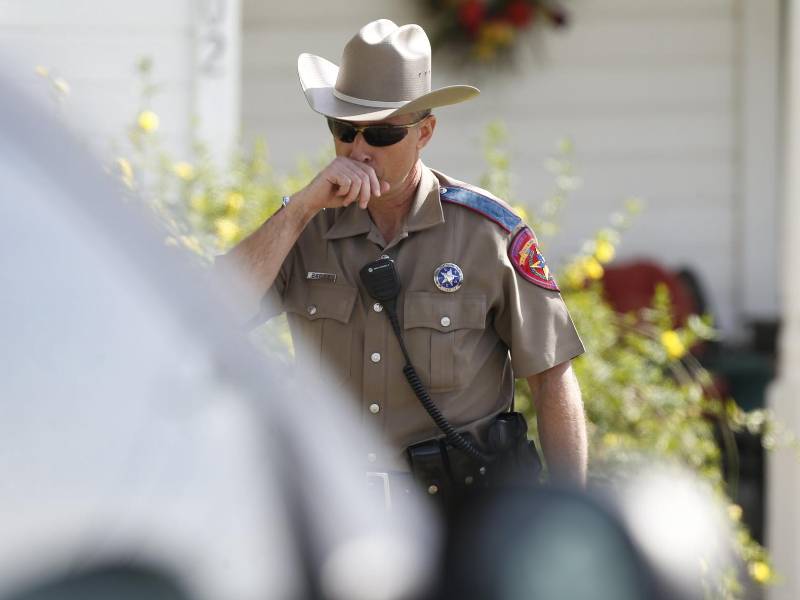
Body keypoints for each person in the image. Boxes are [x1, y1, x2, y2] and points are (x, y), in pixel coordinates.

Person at [219, 19, 587, 498]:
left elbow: (551, 375)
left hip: (458, 511)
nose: (359, 150)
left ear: (425, 132)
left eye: (383, 135)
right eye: (344, 130)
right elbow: (211, 310)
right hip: (336, 507)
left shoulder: (487, 234)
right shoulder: (304, 226)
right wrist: (299, 210)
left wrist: (567, 517)